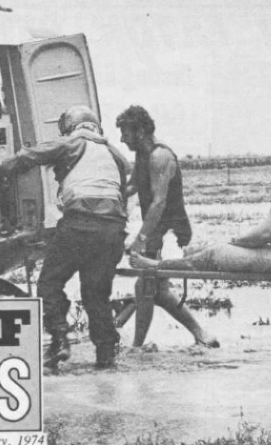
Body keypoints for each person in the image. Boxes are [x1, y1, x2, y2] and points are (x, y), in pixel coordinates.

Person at [0, 105, 131, 369]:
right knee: (96, 293)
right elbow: (122, 192)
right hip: (113, 229)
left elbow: (31, 155)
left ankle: (60, 341)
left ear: (71, 127)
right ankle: (106, 357)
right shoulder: (115, 154)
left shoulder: (72, 144)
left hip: (79, 225)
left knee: (49, 284)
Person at [131, 134, 271, 277]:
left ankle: (156, 265)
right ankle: (192, 253)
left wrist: (235, 241)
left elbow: (266, 234)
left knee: (218, 253)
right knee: (205, 250)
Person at [116, 105, 218, 348]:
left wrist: (140, 238)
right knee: (157, 291)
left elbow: (159, 202)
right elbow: (131, 188)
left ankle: (137, 347)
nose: (121, 138)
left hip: (171, 231)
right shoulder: (142, 154)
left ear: (139, 131)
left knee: (145, 286)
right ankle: (202, 334)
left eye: (125, 133)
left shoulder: (160, 156)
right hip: (155, 231)